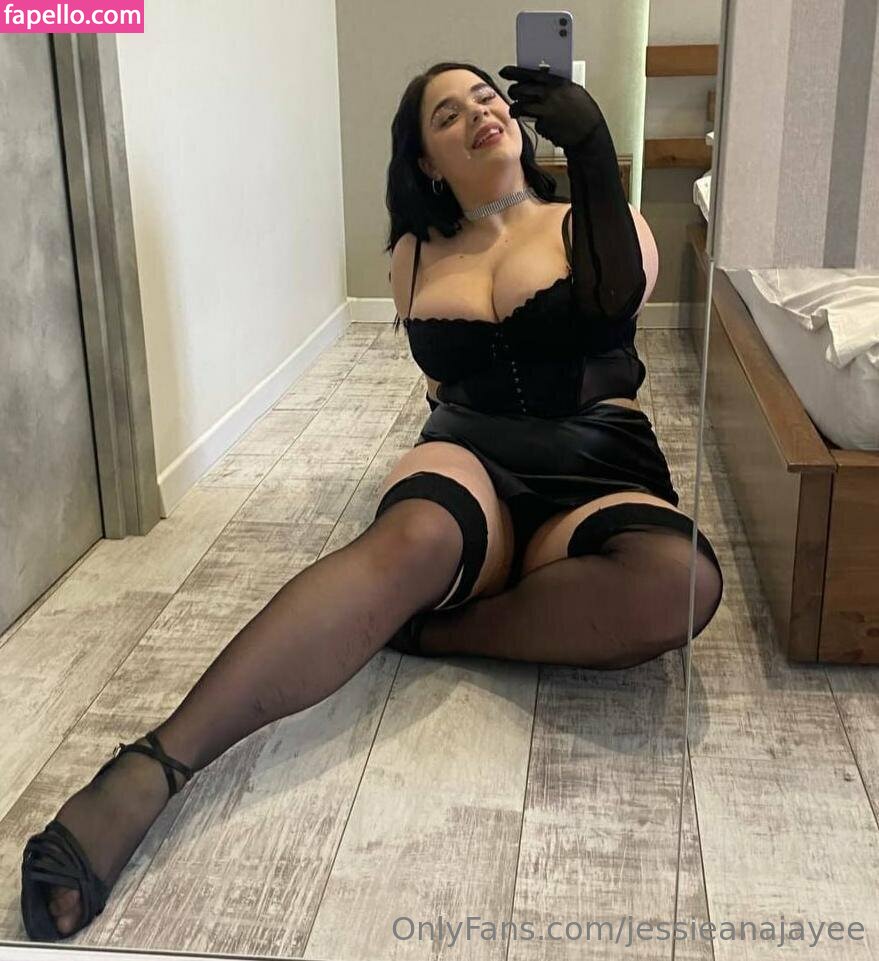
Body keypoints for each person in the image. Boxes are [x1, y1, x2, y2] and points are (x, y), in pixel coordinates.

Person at [19, 60, 723, 943]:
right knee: (411, 539)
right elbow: (440, 383)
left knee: (680, 583)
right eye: (445, 114)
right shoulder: (413, 254)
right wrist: (439, 465)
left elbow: (611, 307)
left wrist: (591, 151)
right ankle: (151, 768)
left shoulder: (592, 221)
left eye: (486, 97)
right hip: (470, 453)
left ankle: (432, 631)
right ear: (425, 160)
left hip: (596, 465)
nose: (477, 113)